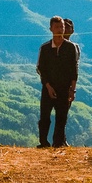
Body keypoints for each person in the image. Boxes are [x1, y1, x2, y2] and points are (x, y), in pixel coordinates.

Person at [36, 16, 79, 147]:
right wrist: (48, 86)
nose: (60, 30)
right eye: (57, 27)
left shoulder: (71, 47)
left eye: (61, 27)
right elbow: (41, 69)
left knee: (61, 117)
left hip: (64, 88)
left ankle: (58, 143)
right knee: (45, 117)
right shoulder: (45, 48)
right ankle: (43, 142)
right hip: (48, 87)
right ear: (51, 29)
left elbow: (74, 70)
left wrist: (72, 89)